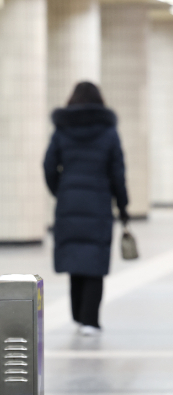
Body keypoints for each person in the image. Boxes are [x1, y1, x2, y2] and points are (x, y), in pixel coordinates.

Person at [43, 81, 129, 337]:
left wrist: (61, 190)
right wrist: (122, 206)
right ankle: (90, 320)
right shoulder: (108, 132)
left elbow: (48, 166)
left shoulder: (61, 130)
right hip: (99, 202)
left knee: (75, 259)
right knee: (95, 259)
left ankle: (78, 315)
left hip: (69, 201)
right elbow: (118, 173)